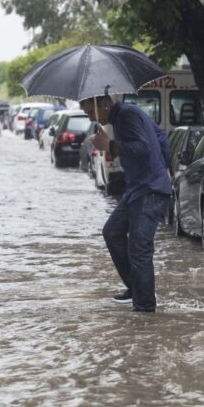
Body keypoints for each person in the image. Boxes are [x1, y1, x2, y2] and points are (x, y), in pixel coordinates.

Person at [82, 95, 172, 313]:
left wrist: (110, 145)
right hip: (136, 189)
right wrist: (166, 168)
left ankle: (145, 310)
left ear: (104, 103)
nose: (91, 117)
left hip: (149, 191)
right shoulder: (124, 116)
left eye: (90, 111)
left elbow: (143, 147)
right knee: (112, 232)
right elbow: (160, 137)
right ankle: (136, 288)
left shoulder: (127, 114)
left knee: (139, 248)